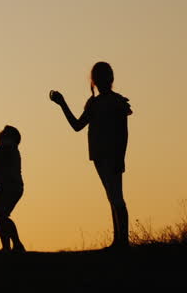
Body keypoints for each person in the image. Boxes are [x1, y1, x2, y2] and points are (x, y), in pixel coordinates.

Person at [49, 61, 133, 249]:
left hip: (108, 155)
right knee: (113, 196)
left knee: (116, 197)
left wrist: (120, 157)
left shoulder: (113, 102)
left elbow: (121, 132)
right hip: (102, 155)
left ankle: (123, 242)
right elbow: (78, 126)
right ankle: (119, 241)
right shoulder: (100, 103)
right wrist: (62, 104)